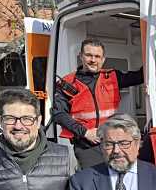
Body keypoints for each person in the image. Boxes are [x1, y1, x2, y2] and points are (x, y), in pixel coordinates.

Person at [52, 38, 143, 169]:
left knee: (119, 179)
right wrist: (85, 133)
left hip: (114, 142)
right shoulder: (67, 83)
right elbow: (58, 114)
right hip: (86, 146)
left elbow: (140, 76)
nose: (93, 60)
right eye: (89, 55)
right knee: (94, 182)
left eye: (97, 56)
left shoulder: (112, 77)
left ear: (103, 59)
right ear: (81, 56)